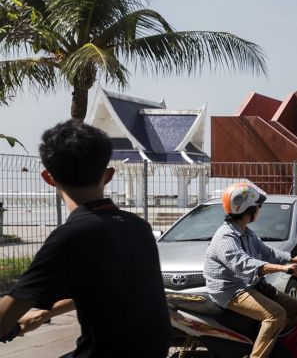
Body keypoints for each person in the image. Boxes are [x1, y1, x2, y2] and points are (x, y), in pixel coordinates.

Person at [0, 120, 171, 357]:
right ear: (109, 175)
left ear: (48, 177)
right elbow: (102, 289)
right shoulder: (138, 227)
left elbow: (7, 313)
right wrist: (43, 313)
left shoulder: (71, 236)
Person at [204, 183, 297, 358]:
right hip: (230, 290)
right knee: (276, 314)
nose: (260, 209)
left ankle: (273, 344)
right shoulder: (225, 237)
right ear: (248, 210)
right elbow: (244, 265)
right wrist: (283, 268)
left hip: (249, 285)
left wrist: (295, 259)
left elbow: (267, 252)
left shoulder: (246, 232)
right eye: (258, 206)